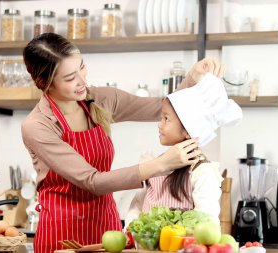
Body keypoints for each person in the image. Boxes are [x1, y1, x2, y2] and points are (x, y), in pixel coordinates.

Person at [21, 33, 225, 253]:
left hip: (107, 231)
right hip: (61, 234)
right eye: (70, 78)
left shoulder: (101, 100)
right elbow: (92, 181)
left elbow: (160, 107)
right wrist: (161, 164)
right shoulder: (38, 125)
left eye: (82, 67)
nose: (82, 80)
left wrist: (192, 77)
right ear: (44, 82)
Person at [125, 73, 242, 227]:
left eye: (166, 119)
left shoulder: (202, 172)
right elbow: (137, 207)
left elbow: (206, 223)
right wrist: (131, 231)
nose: (159, 124)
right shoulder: (154, 165)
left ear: (189, 130)